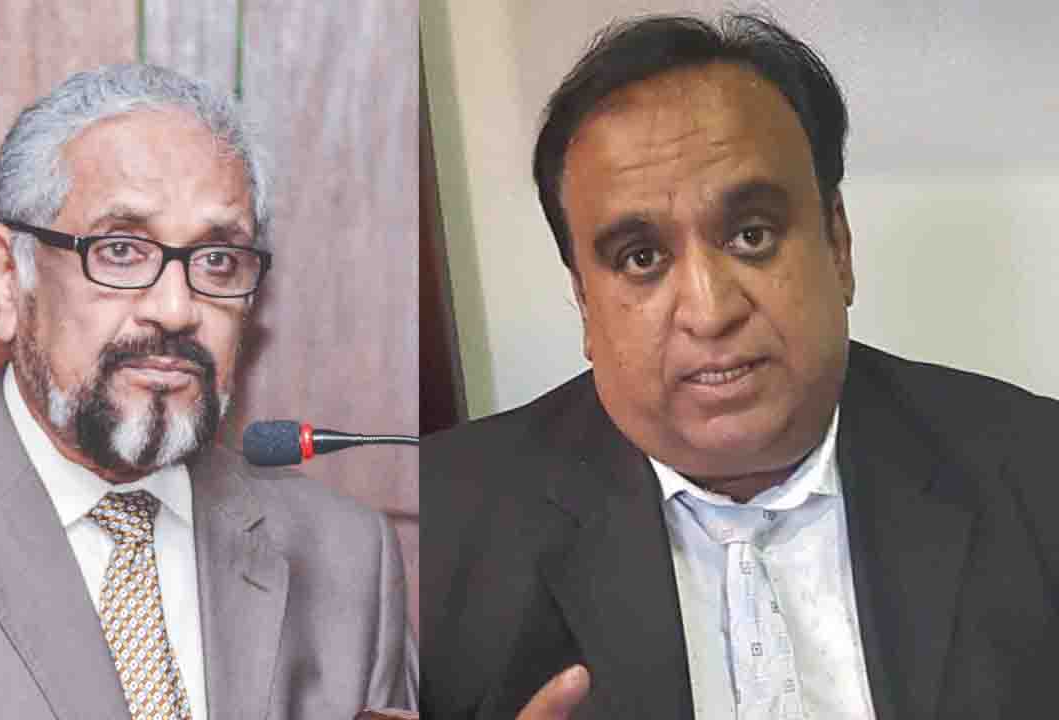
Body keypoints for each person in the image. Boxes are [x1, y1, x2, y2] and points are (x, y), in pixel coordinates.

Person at [421, 13, 1059, 720]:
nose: (710, 310)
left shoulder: (1038, 474)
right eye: (641, 258)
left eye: (751, 235)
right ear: (583, 301)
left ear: (838, 246)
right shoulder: (438, 529)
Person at [0, 63, 416, 719]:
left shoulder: (347, 557)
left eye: (218, 260)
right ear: (8, 278)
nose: (175, 309)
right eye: (120, 251)